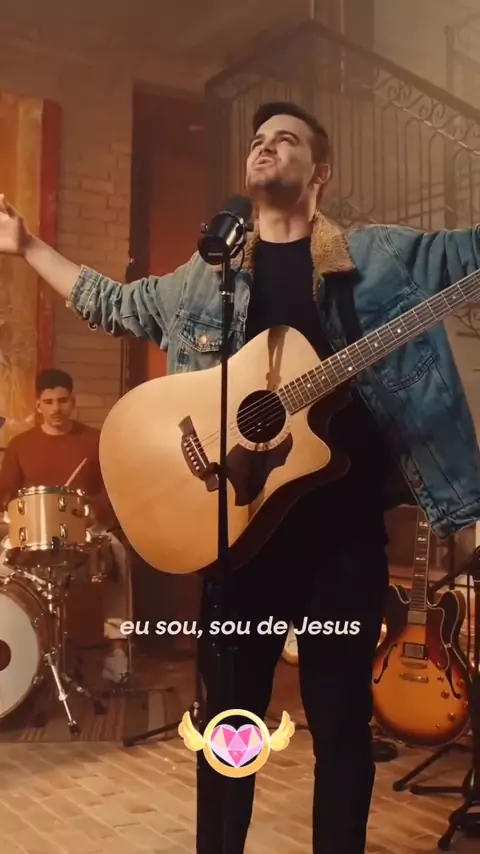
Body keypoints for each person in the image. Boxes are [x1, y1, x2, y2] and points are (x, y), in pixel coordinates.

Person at [1, 100, 480, 854]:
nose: (265, 146)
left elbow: (467, 255)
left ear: (319, 174)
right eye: (258, 139)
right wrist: (27, 245)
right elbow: (113, 304)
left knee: (342, 737)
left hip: (342, 544)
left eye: (285, 139)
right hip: (237, 545)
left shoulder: (379, 257)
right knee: (229, 737)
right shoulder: (207, 278)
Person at [0, 367, 131, 684]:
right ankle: (13, 647)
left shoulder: (95, 441)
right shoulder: (20, 444)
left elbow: (112, 489)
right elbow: (6, 494)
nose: (56, 408)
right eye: (49, 402)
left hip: (83, 531)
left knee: (118, 557)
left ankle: (117, 650)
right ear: (38, 405)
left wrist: (94, 513)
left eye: (62, 400)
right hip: (32, 533)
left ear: (73, 402)